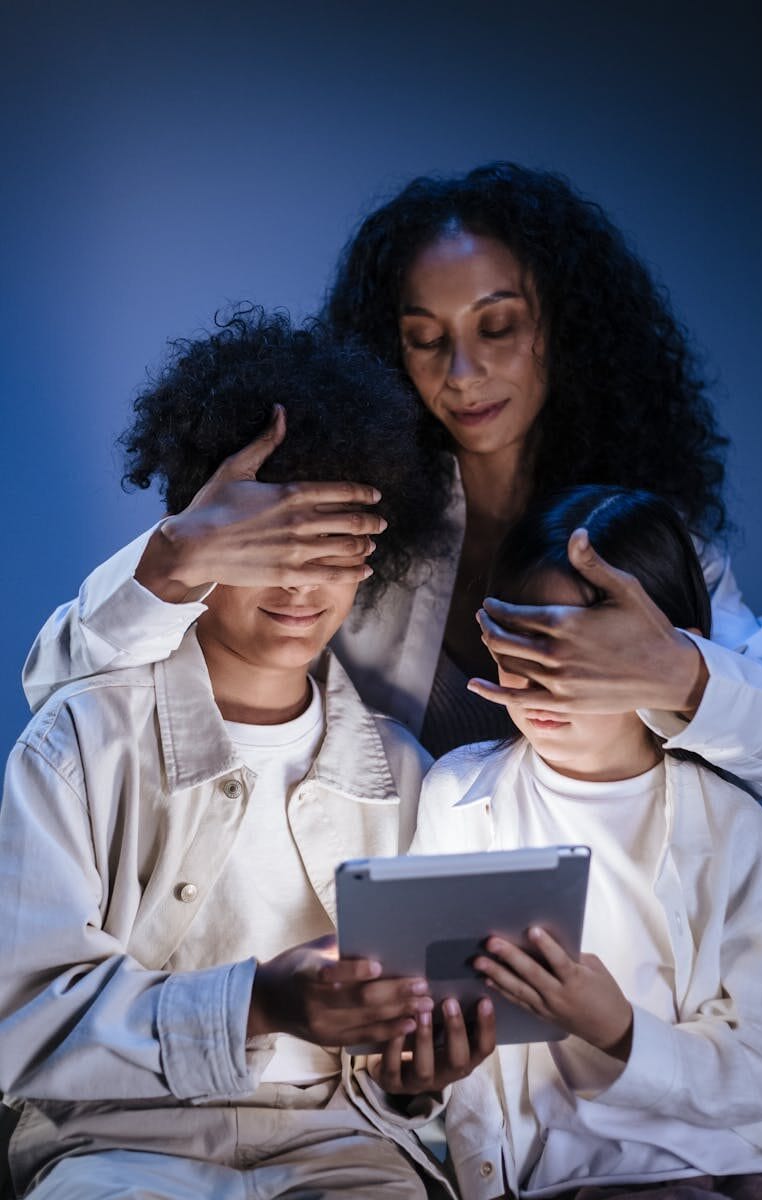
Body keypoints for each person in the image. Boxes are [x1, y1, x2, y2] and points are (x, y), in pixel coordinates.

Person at [21, 163, 762, 789]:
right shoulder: (341, 511)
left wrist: (679, 674)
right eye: (426, 339)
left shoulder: (644, 541)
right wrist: (176, 553)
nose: (463, 373)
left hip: (605, 958)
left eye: (498, 326)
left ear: (565, 331)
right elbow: (59, 683)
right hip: (367, 949)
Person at [0, 310, 494, 1200]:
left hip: (341, 1147)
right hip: (117, 1148)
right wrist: (260, 1001)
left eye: (336, 548)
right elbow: (18, 1027)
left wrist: (414, 1076)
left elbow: (398, 1073)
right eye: (270, 546)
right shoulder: (82, 742)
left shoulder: (409, 777)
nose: (302, 583)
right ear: (207, 540)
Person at [372, 486, 762, 1200]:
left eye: (574, 650)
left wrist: (622, 1031)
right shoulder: (457, 796)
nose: (540, 681)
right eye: (521, 642)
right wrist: (418, 1078)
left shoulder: (730, 823)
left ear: (657, 647)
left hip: (719, 1172)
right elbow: (432, 1033)